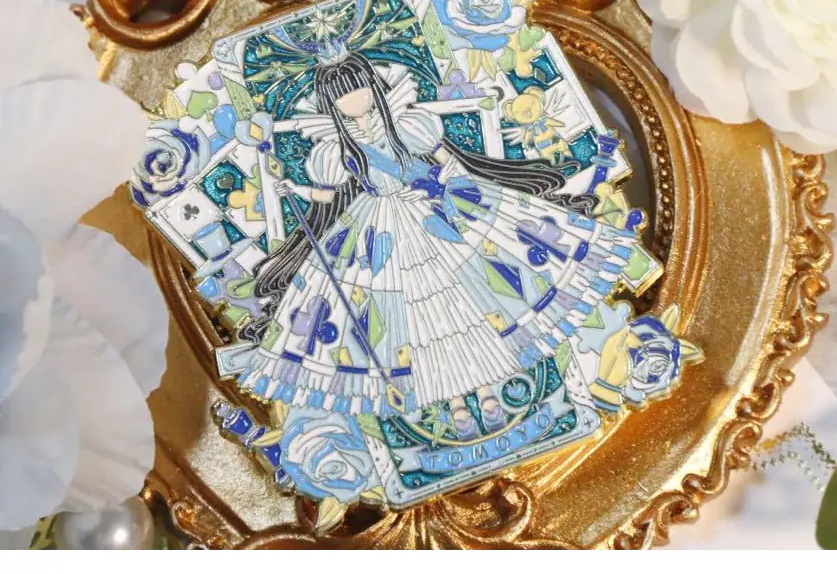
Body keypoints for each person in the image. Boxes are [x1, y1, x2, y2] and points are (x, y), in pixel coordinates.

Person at [238, 50, 641, 440]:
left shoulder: (410, 125)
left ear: (374, 86)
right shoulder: (335, 152)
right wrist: (294, 189)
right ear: (332, 105)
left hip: (433, 212)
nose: (354, 102)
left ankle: (488, 390)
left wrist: (454, 187)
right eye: (342, 98)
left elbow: (447, 160)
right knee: (412, 317)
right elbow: (330, 196)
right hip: (379, 231)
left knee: (467, 300)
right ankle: (453, 404)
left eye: (359, 89)